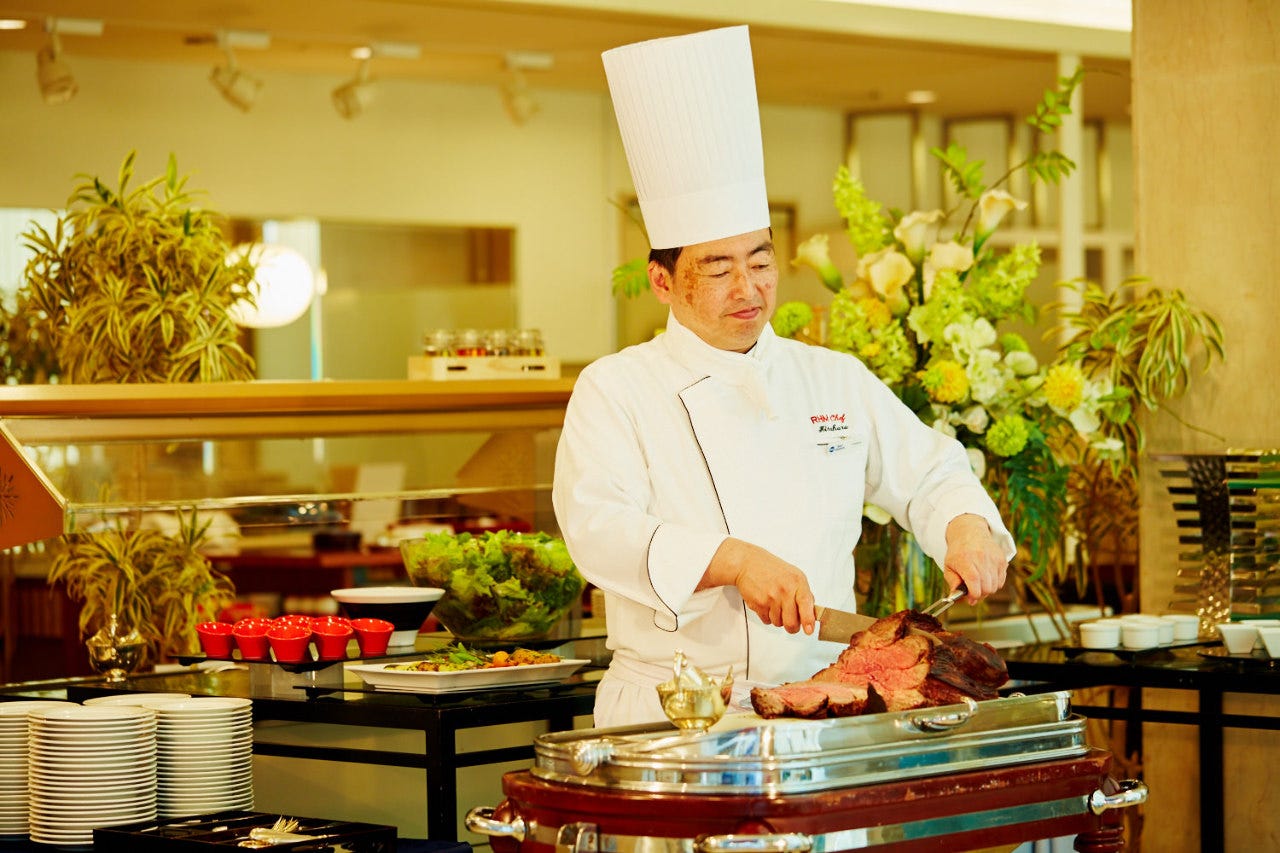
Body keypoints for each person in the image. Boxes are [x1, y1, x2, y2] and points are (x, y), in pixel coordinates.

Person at [552, 26, 1014, 728]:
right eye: (718, 268)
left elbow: (929, 471)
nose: (748, 288)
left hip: (824, 699)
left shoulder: (832, 379)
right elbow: (598, 528)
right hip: (673, 707)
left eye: (761, 261)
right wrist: (731, 559)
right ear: (661, 281)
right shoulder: (616, 388)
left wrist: (967, 526)